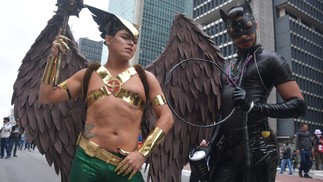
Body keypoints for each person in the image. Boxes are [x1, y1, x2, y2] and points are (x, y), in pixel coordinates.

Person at [39, 5, 174, 182]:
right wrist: (53, 59)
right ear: (108, 40)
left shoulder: (146, 78)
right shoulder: (88, 75)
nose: (131, 43)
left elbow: (167, 117)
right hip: (87, 161)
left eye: (134, 40)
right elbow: (47, 96)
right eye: (125, 37)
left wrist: (143, 153)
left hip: (126, 165)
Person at [190, 2, 307, 182]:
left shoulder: (271, 60)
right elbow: (224, 114)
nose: (243, 35)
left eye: (247, 29)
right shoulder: (227, 69)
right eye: (236, 32)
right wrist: (210, 145)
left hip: (258, 148)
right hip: (226, 150)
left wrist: (253, 106)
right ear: (229, 33)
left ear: (255, 25)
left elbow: (298, 105)